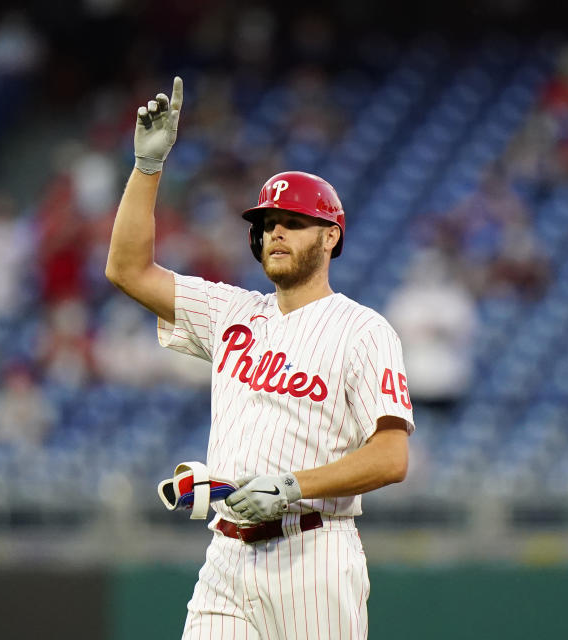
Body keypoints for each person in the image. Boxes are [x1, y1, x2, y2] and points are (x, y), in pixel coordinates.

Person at [105, 77, 412, 639]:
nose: (275, 231)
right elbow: (128, 270)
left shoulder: (363, 330)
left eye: (293, 222)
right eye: (267, 223)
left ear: (329, 237)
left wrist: (295, 485)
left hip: (312, 554)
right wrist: (147, 169)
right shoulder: (232, 313)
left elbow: (391, 458)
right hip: (225, 556)